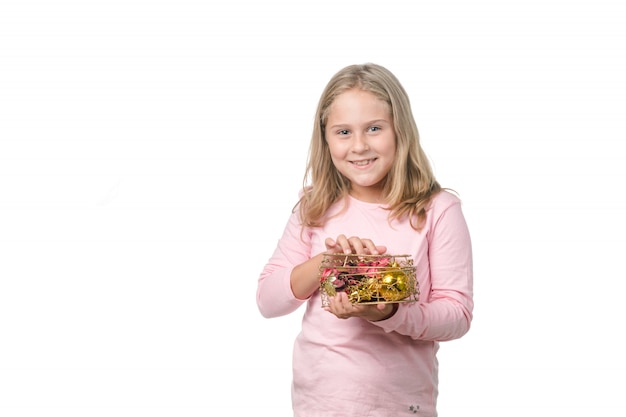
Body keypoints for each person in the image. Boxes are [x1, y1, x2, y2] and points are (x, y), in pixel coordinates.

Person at [256, 63, 473, 417]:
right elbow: (267, 301)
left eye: (374, 128)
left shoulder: (437, 210)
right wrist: (327, 265)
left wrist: (387, 311)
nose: (359, 146)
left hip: (402, 406)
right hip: (318, 403)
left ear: (399, 130)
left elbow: (457, 315)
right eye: (343, 132)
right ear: (325, 138)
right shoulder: (314, 206)